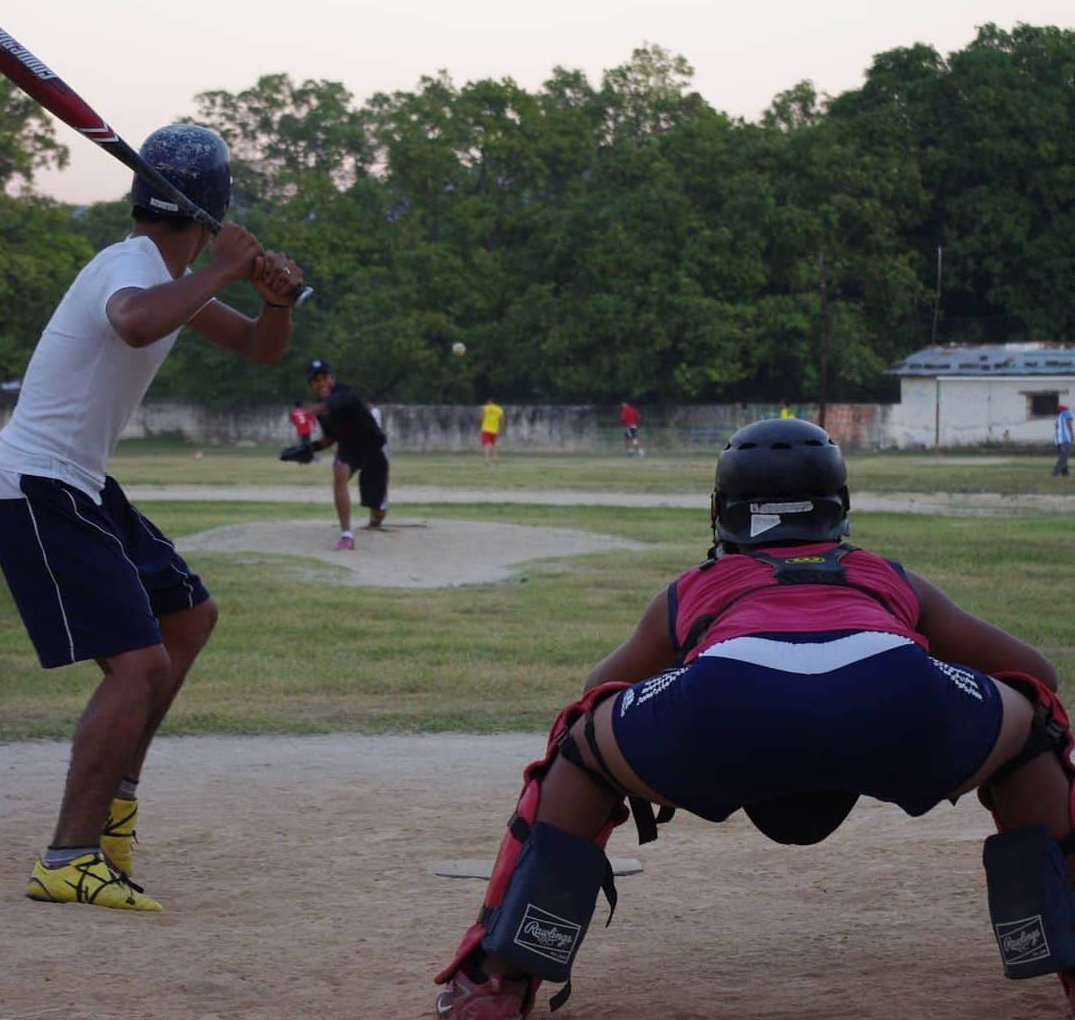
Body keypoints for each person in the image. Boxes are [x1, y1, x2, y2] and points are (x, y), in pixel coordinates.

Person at [433, 417, 1075, 1019]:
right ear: (839, 504)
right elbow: (1037, 673)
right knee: (1032, 729)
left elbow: (600, 687)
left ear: (722, 510)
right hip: (891, 683)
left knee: (580, 744)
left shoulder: (695, 586)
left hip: (728, 692)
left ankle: (497, 976)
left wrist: (671, 724)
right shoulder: (882, 574)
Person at [0, 124, 304, 912]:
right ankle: (68, 856)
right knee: (139, 664)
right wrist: (231, 264)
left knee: (188, 618)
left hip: (81, 483)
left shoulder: (170, 277)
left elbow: (258, 350)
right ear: (211, 211)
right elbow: (134, 321)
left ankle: (115, 803)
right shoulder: (127, 268)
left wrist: (270, 303)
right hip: (36, 482)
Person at [301, 359, 389, 549]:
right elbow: (330, 438)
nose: (321, 382)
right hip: (350, 448)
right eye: (315, 380)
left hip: (373, 447)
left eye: (324, 377)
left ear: (332, 378)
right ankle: (347, 535)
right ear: (311, 385)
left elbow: (329, 405)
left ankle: (378, 513)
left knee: (377, 512)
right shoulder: (321, 408)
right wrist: (310, 448)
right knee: (339, 472)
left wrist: (305, 411)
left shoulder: (345, 393)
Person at [480, 398, 505, 463]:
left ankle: (487, 459)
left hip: (486, 429)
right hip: (494, 430)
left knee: (486, 445)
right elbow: (501, 420)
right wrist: (502, 429)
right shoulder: (499, 409)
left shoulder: (486, 408)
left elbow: (481, 417)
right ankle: (495, 459)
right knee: (494, 445)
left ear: (490, 401)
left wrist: (479, 424)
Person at [1053, 403, 1073, 477]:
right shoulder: (1066, 413)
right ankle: (1055, 473)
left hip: (1058, 440)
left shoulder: (1058, 417)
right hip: (1065, 440)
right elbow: (1069, 424)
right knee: (1063, 457)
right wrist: (1072, 435)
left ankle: (1065, 473)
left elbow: (1056, 428)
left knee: (1062, 457)